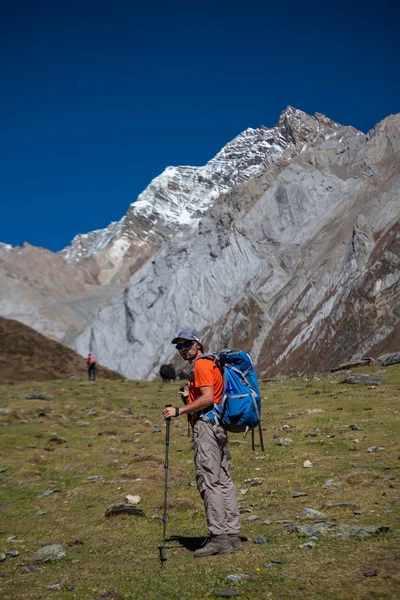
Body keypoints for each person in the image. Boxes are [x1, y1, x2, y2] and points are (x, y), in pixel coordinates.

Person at [162, 328, 241, 557]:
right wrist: (190, 399)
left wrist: (179, 410)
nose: (183, 349)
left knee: (209, 481)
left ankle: (219, 538)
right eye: (179, 346)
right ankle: (232, 535)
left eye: (187, 344)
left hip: (207, 427)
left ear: (198, 344)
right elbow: (210, 396)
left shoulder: (201, 365)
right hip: (217, 425)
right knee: (222, 479)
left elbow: (207, 399)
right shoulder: (210, 363)